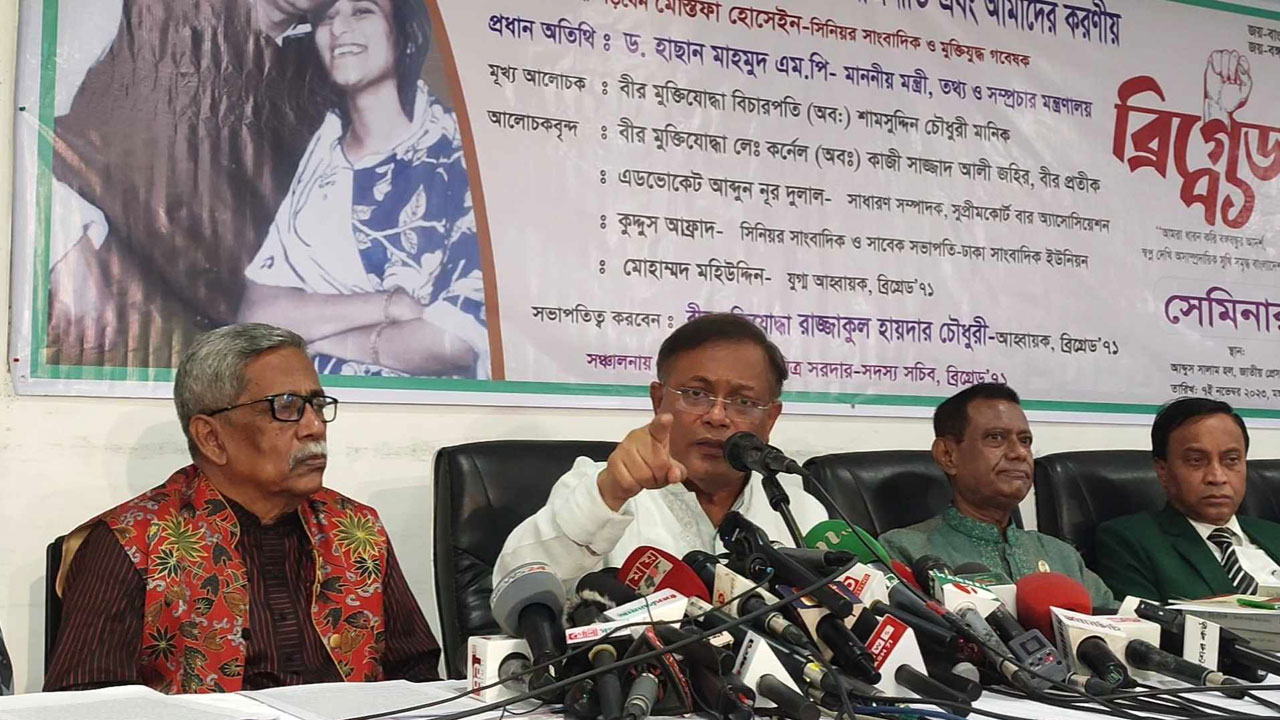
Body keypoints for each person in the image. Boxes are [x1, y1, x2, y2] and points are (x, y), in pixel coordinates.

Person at [45, 323, 440, 693]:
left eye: (317, 404)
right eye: (286, 406)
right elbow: (86, 702)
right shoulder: (131, 543)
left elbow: (417, 675)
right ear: (211, 438)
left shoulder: (356, 528)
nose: (314, 426)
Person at [238, 0, 486, 378]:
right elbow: (255, 317)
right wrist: (388, 305)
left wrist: (318, 339)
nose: (339, 28)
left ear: (406, 34)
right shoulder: (321, 153)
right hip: (308, 400)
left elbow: (452, 342)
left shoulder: (457, 153)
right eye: (327, 17)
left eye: (362, 11)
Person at [494, 313, 829, 589]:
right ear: (658, 401)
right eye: (696, 394)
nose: (717, 416)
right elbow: (514, 585)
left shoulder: (801, 513)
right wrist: (609, 494)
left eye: (743, 401)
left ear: (770, 419)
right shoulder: (599, 489)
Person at [879, 383, 1115, 608]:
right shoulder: (906, 551)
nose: (1019, 453)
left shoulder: (1061, 556)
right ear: (948, 455)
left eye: (1025, 441)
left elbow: (1120, 624)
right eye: (995, 437)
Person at [1094, 398, 1280, 602]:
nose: (1217, 477)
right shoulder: (1131, 541)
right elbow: (1143, 620)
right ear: (1163, 471)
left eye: (1231, 460)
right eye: (1196, 461)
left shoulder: (1273, 533)